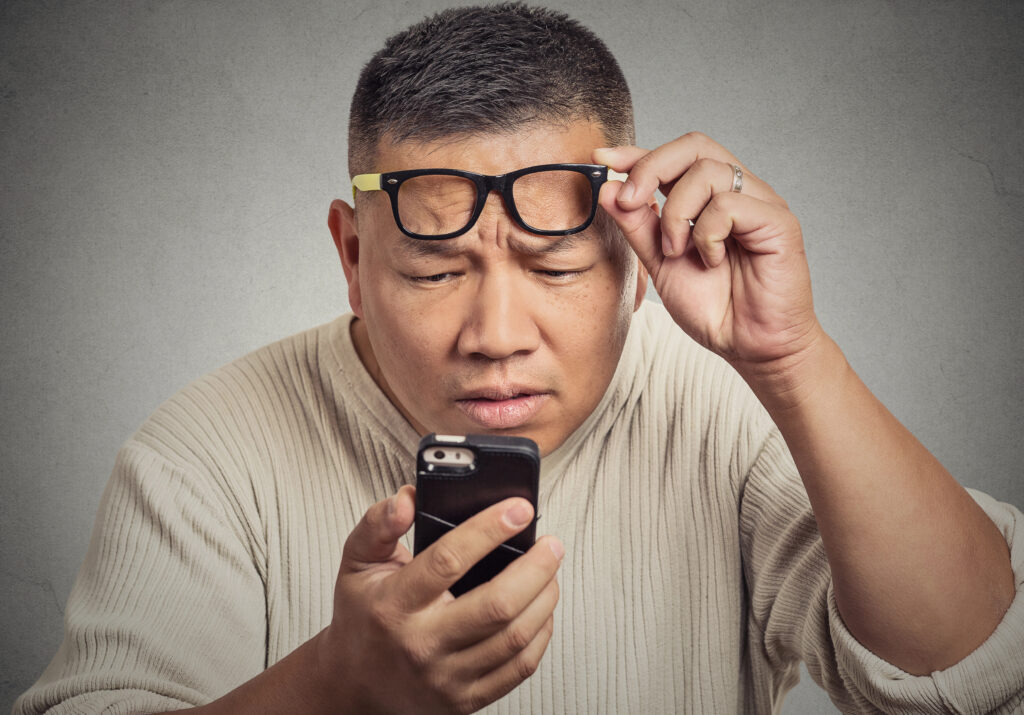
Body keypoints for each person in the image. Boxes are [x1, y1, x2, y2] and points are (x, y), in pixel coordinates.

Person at [14, 3, 1024, 714]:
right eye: (434, 270)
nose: (497, 332)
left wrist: (794, 358)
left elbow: (970, 676)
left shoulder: (730, 417)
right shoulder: (204, 452)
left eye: (551, 265)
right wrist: (333, 689)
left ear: (634, 258)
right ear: (354, 255)